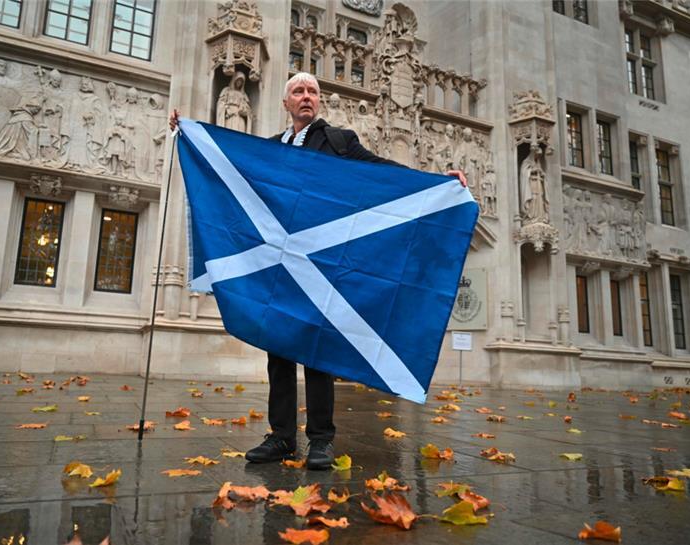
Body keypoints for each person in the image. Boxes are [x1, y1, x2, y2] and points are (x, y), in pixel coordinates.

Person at [169, 72, 467, 470]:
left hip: (321, 267)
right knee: (277, 352)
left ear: (319, 102)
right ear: (286, 102)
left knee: (318, 353)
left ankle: (321, 439)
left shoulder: (339, 141)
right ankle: (281, 437)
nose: (306, 97)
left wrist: (435, 184)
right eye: (298, 91)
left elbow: (383, 172)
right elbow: (229, 170)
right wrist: (188, 134)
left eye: (312, 92)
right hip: (277, 270)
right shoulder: (270, 150)